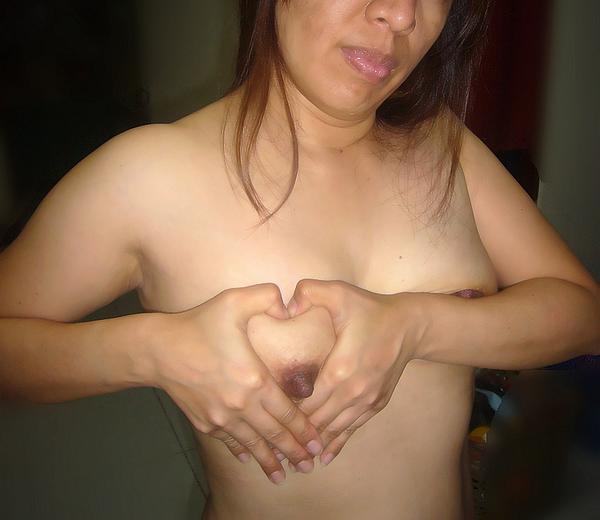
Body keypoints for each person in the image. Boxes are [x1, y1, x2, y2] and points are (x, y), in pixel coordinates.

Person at [0, 0, 599, 518]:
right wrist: (152, 350)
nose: (401, 14)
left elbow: (582, 315)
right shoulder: (148, 176)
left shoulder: (445, 146)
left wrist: (416, 326)